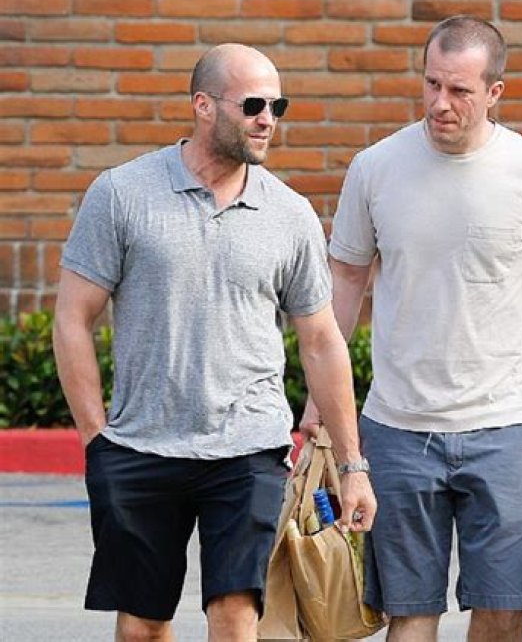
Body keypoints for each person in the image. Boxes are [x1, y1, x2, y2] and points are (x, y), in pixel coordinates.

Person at [300, 16, 522, 642]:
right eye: (431, 84)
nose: (440, 103)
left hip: (505, 424)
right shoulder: (375, 168)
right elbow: (344, 282)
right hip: (398, 425)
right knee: (410, 613)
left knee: (503, 611)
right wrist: (320, 402)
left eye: (459, 90)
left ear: (494, 92)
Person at [53, 44, 376, 642]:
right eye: (252, 105)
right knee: (142, 626)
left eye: (277, 106)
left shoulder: (290, 214)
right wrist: (96, 438)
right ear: (203, 105)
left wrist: (353, 465)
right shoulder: (122, 193)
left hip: (247, 448)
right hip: (141, 445)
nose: (267, 119)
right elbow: (73, 317)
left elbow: (322, 341)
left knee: (235, 616)